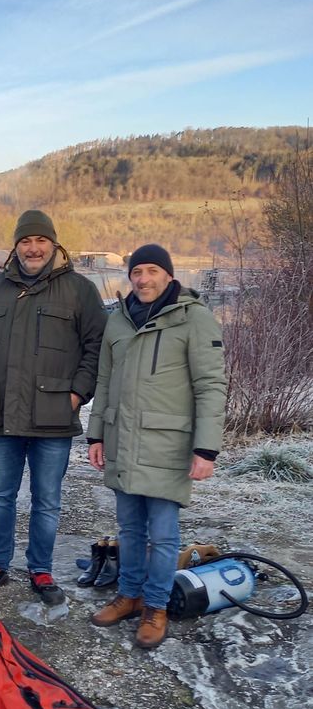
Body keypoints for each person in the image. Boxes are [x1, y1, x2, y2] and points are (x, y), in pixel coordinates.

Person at [87, 244, 226, 648]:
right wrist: (96, 435)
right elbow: (104, 382)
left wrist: (207, 449)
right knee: (129, 530)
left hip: (169, 444)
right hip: (123, 440)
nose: (143, 279)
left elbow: (211, 386)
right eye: (136, 272)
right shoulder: (119, 321)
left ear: (168, 274)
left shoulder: (194, 319)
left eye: (151, 271)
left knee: (163, 535)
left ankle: (156, 606)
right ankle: (129, 595)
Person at [0, 210, 107, 605]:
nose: (33, 248)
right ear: (16, 246)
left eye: (40, 241)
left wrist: (78, 392)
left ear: (54, 244)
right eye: (25, 241)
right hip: (1, 415)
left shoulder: (80, 290)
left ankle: (40, 569)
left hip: (53, 416)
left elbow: (96, 347)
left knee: (47, 500)